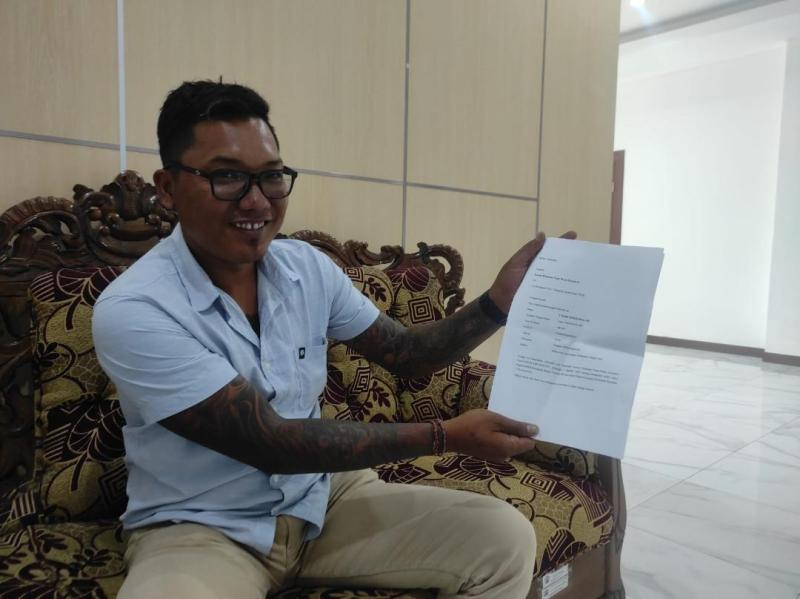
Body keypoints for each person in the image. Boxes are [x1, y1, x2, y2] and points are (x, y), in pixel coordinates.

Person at [93, 80, 575, 599]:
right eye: (227, 176)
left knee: (502, 540)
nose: (256, 201)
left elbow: (408, 355)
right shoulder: (136, 308)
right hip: (204, 527)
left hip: (322, 503)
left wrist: (497, 303)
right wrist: (444, 435)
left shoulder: (306, 269)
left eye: (271, 176)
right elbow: (270, 443)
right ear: (167, 187)